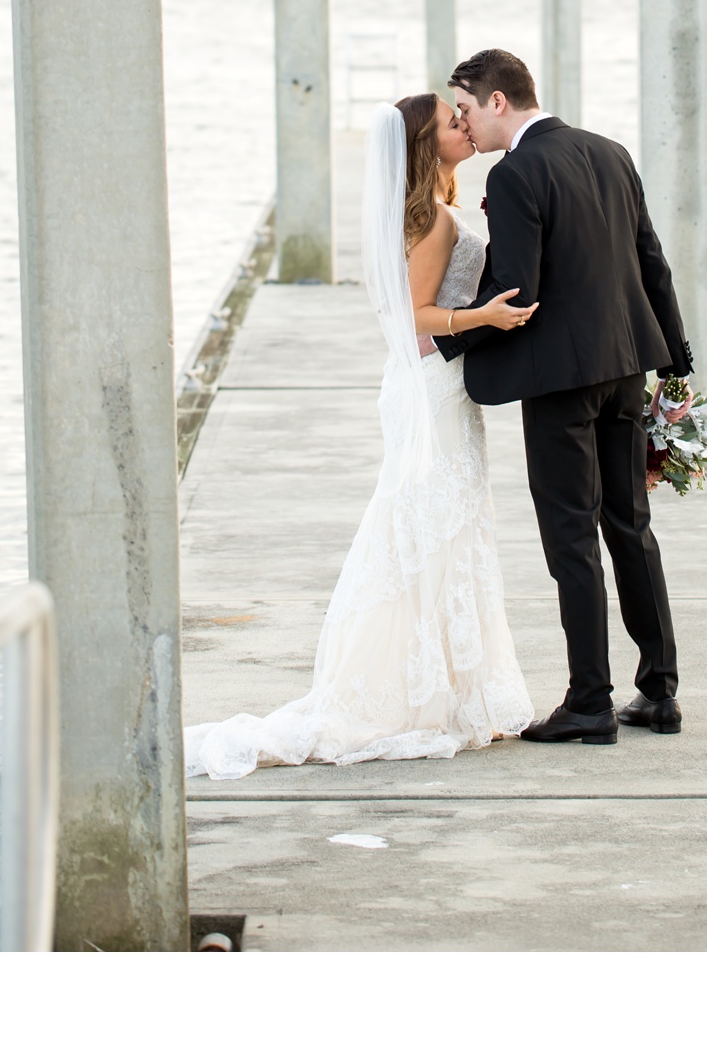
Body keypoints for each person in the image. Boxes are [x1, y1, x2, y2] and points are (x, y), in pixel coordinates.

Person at [183, 93, 535, 779]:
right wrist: (484, 318)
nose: (464, 127)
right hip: (432, 390)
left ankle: (453, 688)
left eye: (463, 117)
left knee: (437, 527)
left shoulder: (422, 213)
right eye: (450, 123)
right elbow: (417, 316)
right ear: (422, 146)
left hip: (423, 390)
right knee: (431, 527)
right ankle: (425, 694)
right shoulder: (429, 221)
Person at [432, 47, 693, 745]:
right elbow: (651, 262)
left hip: (560, 379)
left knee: (570, 537)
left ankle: (589, 701)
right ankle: (658, 692)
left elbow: (517, 286)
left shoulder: (518, 171)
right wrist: (676, 361)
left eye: (465, 107)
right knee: (629, 526)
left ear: (497, 102)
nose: (464, 123)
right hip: (625, 366)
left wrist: (446, 340)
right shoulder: (609, 152)